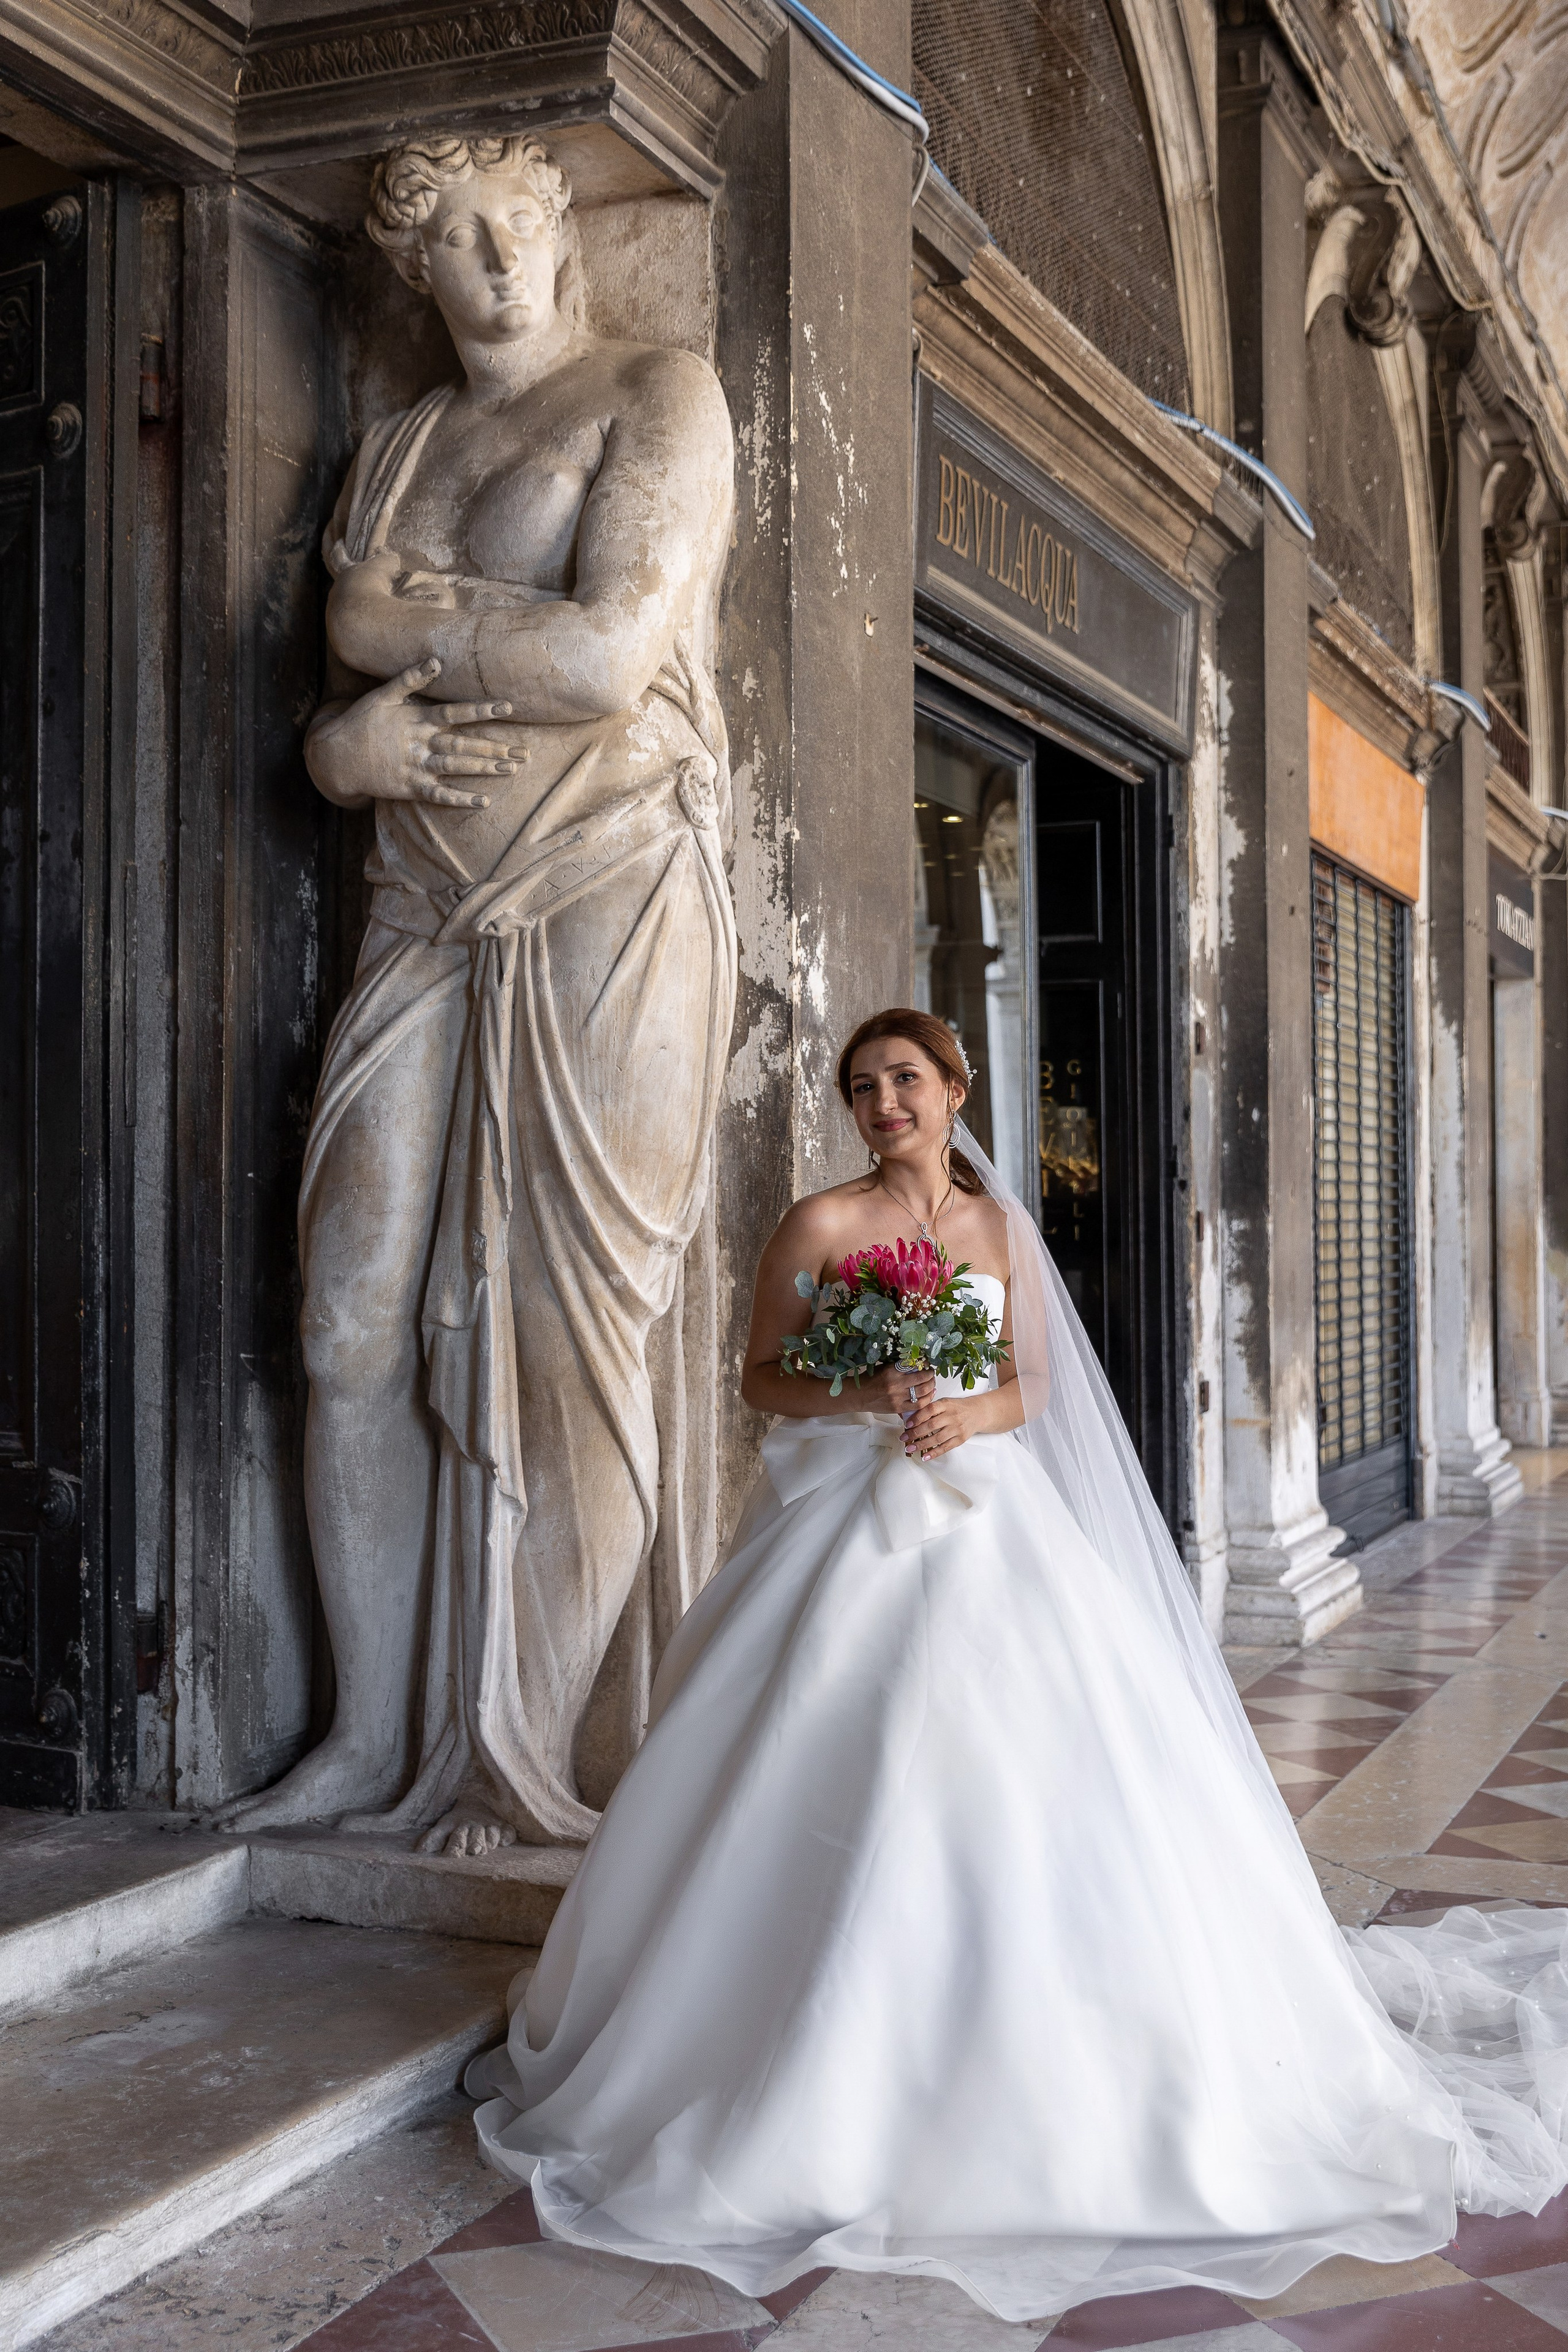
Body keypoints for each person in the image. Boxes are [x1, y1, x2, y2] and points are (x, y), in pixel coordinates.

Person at [466, 1004, 1568, 2322]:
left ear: (953, 1089)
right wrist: (869, 1394)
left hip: (991, 1525)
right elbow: (761, 1377)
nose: (886, 1107)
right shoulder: (818, 1228)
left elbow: (1029, 1387)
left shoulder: (996, 1233)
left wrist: (956, 1413)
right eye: (865, 1089)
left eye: (907, 1082)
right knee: (826, 1760)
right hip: (844, 1541)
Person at [213, 134, 737, 1856]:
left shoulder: (662, 395)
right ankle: (373, 1737)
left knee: (570, 1327)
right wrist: (341, 744)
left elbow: (609, 656)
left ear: (568, 236)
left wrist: (400, 629)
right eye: (457, 241)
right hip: (420, 906)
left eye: (520, 221)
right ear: (417, 275)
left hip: (611, 890)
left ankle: (532, 1756)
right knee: (347, 1315)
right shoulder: (401, 446)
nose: (498, 259)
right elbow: (347, 689)